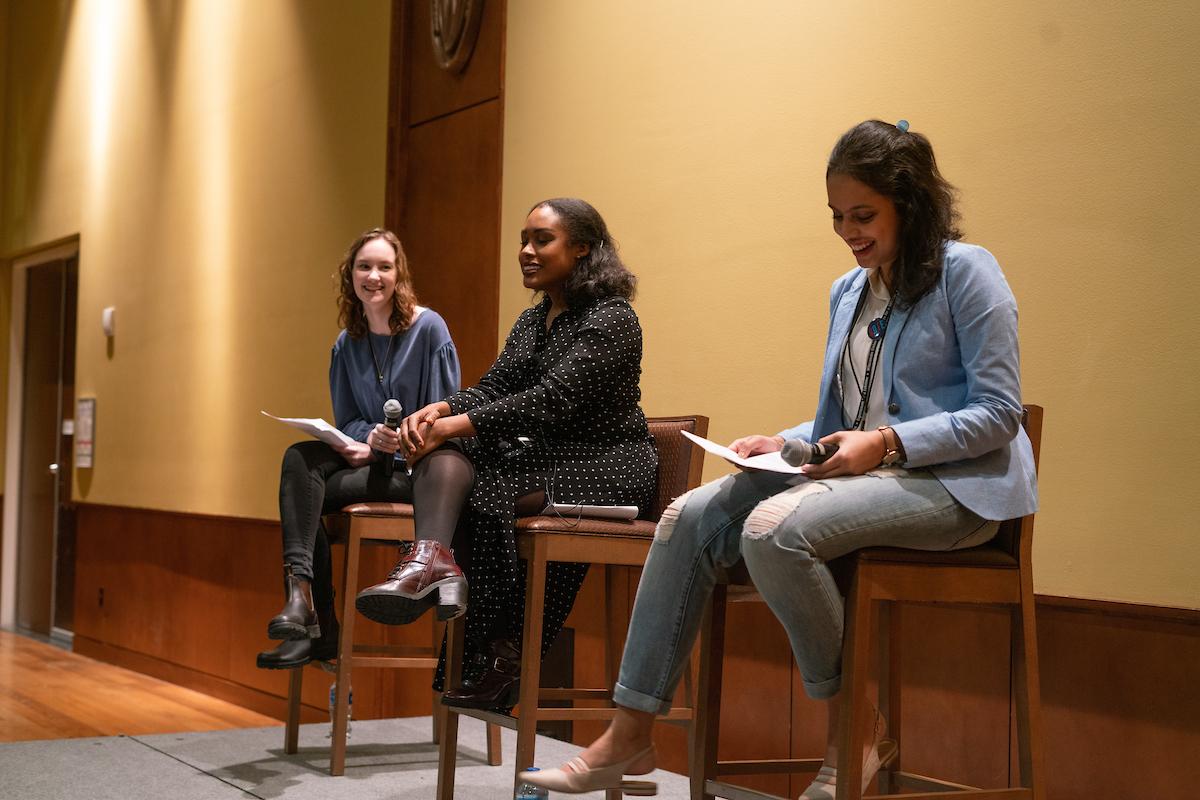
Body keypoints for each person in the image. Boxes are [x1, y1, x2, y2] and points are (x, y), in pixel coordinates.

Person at [520, 120, 1039, 798]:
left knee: (773, 531)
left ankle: (853, 730)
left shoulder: (968, 273)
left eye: (863, 215)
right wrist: (787, 442)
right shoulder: (848, 291)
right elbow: (847, 419)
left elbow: (1000, 413)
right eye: (836, 217)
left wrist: (885, 444)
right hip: (868, 480)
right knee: (686, 516)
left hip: (958, 490)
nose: (848, 231)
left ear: (909, 204)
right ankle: (631, 732)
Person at [354, 197, 657, 711]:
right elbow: (496, 386)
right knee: (451, 447)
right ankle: (433, 559)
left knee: (487, 483)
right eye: (524, 239)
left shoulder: (612, 318)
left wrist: (457, 421)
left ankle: (506, 655)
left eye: (542, 240)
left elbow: (553, 398)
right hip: (547, 459)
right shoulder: (532, 320)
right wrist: (441, 410)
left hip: (611, 463)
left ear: (582, 248)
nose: (526, 251)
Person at [256, 228, 462, 670]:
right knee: (298, 460)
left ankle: (319, 629)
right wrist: (369, 437)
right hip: (375, 464)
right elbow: (347, 419)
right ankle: (302, 598)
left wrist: (402, 439)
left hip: (418, 474)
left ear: (398, 274)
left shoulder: (429, 328)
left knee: (304, 497)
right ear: (349, 276)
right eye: (364, 267)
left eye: (384, 267)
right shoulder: (347, 343)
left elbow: (446, 419)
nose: (374, 276)